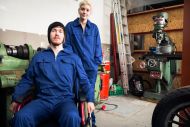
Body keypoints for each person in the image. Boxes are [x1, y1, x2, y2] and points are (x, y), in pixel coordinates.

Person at [9, 21, 95, 127]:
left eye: (60, 31)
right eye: (54, 31)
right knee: (21, 117)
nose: (57, 33)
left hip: (65, 101)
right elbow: (27, 79)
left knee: (72, 117)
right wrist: (16, 99)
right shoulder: (38, 57)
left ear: (64, 37)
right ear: (49, 35)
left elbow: (84, 80)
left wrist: (90, 100)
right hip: (42, 100)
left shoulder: (73, 58)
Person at [65, 0, 103, 126]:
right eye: (82, 9)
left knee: (89, 95)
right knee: (74, 94)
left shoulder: (94, 28)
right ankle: (76, 121)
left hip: (90, 68)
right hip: (75, 67)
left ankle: (91, 122)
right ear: (79, 10)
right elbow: (67, 45)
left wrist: (96, 62)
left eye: (87, 10)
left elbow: (98, 46)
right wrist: (73, 60)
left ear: (90, 12)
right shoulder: (70, 26)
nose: (84, 12)